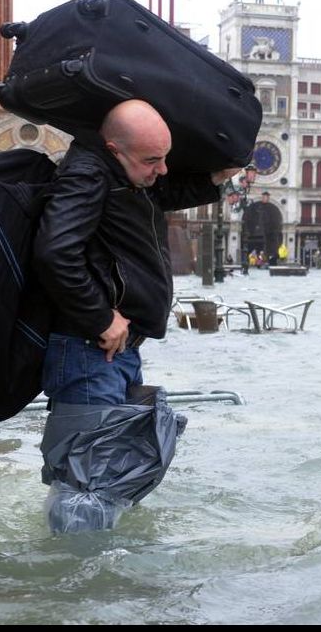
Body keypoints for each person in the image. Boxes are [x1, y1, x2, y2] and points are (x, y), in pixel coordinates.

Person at [33, 99, 238, 530]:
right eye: (151, 160)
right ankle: (78, 571)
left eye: (164, 158)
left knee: (101, 479)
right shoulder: (87, 175)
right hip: (91, 349)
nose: (161, 169)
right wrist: (100, 318)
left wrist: (214, 179)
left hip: (112, 352)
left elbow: (163, 194)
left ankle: (94, 563)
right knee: (86, 487)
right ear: (114, 149)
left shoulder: (120, 176)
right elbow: (54, 252)